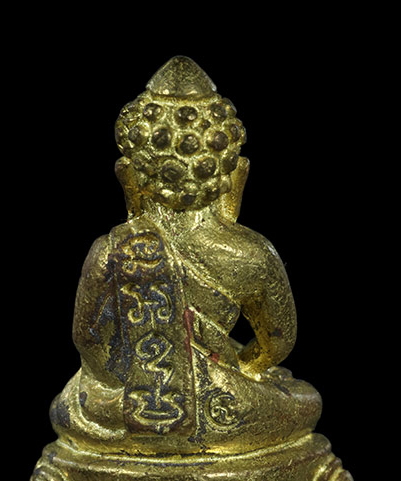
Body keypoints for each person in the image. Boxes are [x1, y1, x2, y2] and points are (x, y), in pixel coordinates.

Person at [48, 56, 322, 456]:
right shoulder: (251, 254)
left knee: (70, 405)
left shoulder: (110, 249)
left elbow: (88, 340)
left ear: (127, 176)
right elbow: (277, 344)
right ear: (237, 174)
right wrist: (236, 368)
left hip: (125, 409)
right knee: (305, 400)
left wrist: (123, 383)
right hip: (219, 408)